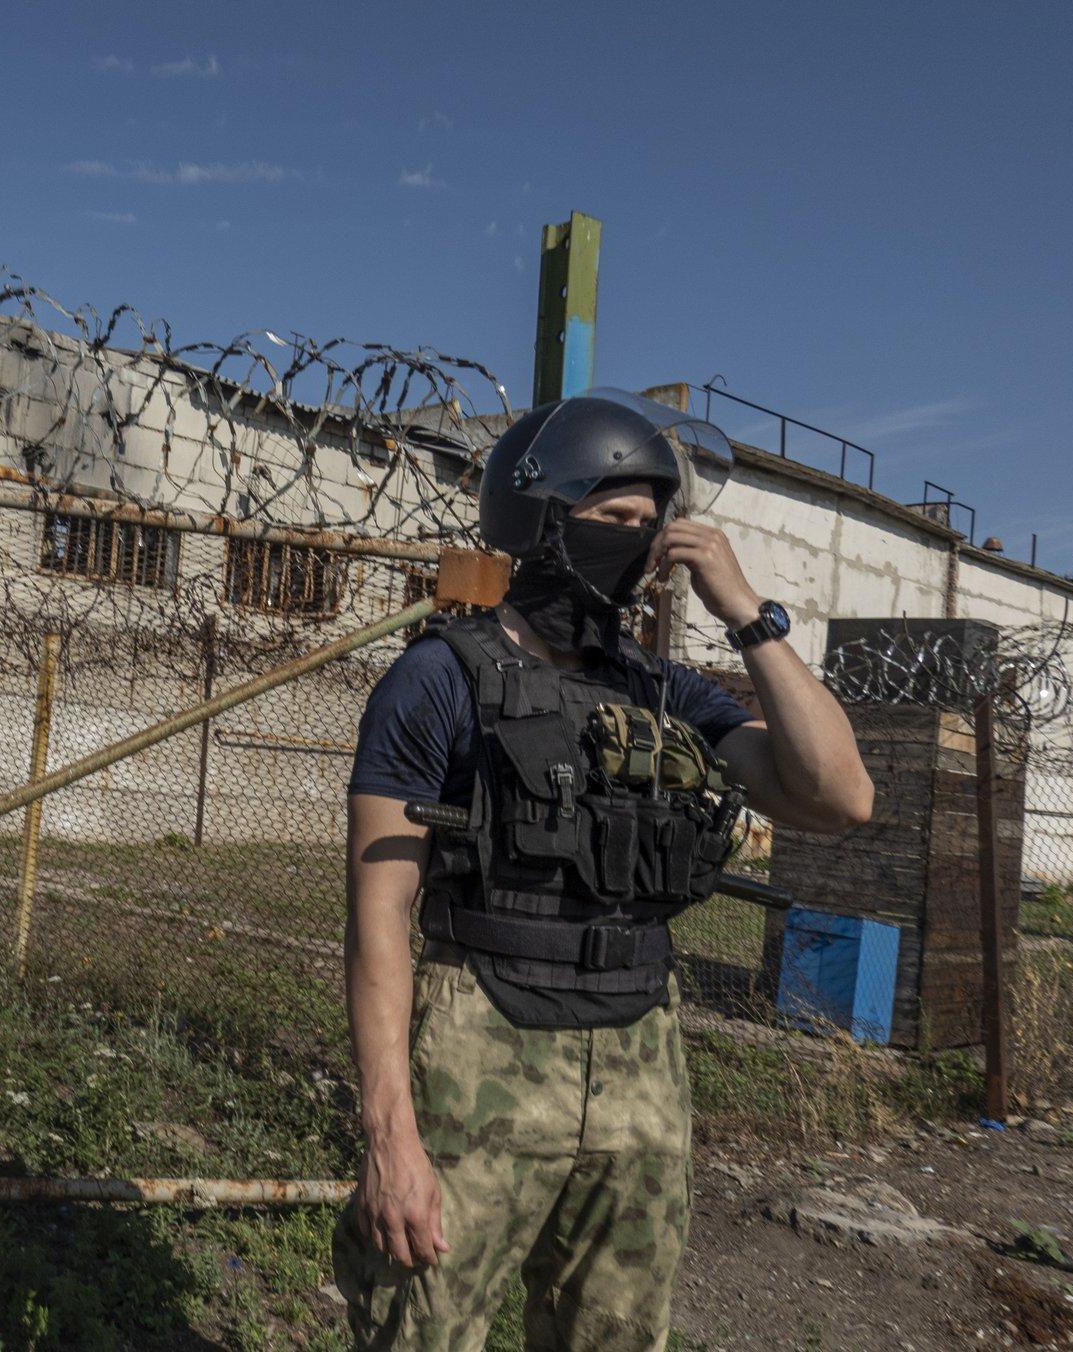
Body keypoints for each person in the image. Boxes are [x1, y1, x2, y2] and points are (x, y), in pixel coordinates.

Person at [333, 389, 873, 1350]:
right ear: (543, 520)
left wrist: (749, 615)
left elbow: (839, 798)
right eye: (616, 520)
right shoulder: (440, 679)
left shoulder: (662, 691)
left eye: (652, 522)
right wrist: (391, 1140)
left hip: (640, 1064)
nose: (646, 543)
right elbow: (378, 919)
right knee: (424, 1327)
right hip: (480, 1047)